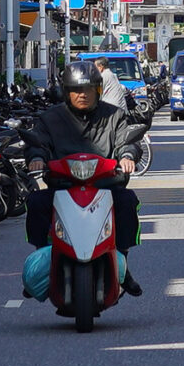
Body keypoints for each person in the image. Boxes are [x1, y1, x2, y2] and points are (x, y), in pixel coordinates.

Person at [25, 60, 147, 294]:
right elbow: (38, 142)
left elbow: (127, 141)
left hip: (105, 185)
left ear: (98, 90)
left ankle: (123, 263)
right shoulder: (50, 119)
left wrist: (128, 156)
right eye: (76, 90)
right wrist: (36, 157)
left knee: (128, 202)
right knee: (36, 202)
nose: (83, 95)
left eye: (89, 89)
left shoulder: (115, 116)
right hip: (63, 185)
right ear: (66, 92)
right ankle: (42, 261)